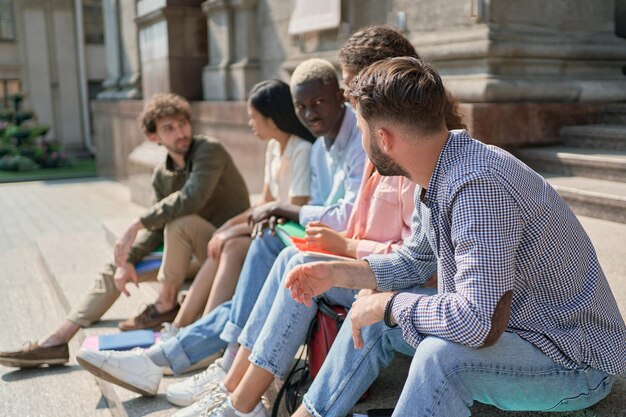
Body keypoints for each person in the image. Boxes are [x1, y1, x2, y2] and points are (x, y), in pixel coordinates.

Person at [286, 57, 626, 417]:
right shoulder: (439, 168)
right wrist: (339, 274)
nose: (362, 138)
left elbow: (476, 320)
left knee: (437, 356)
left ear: (383, 139)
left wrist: (388, 305)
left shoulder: (477, 187)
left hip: (572, 361)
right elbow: (413, 261)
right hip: (518, 331)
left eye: (361, 129)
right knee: (375, 315)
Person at [168, 25, 464, 417]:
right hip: (393, 274)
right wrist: (341, 255)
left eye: (348, 88)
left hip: (423, 292)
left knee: (310, 272)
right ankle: (231, 387)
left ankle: (237, 401)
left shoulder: (428, 162)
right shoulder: (394, 153)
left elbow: (429, 270)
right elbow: (405, 248)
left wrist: (346, 254)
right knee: (294, 262)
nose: (345, 100)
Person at [75, 58, 366, 397]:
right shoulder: (319, 148)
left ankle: (199, 357)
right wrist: (251, 221)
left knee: (259, 254)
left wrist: (266, 216)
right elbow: (295, 209)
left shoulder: (352, 141)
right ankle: (171, 352)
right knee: (257, 255)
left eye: (318, 103)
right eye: (302, 106)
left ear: (341, 94)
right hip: (306, 241)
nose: (310, 113)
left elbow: (336, 215)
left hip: (346, 255)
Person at [0, 93, 250, 369]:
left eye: (182, 124)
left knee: (182, 222)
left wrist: (136, 223)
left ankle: (166, 305)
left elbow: (191, 198)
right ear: (154, 138)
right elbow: (156, 231)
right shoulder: (161, 175)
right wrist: (128, 259)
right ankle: (57, 340)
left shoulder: (209, 151)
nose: (180, 132)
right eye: (169, 128)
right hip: (191, 258)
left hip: (225, 255)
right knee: (117, 265)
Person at [162, 79, 315, 340]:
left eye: (254, 118)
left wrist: (231, 233)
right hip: (268, 228)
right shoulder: (273, 148)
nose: (250, 124)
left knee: (231, 246)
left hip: (287, 237)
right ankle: (180, 328)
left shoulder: (302, 150)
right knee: (222, 243)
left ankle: (203, 337)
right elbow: (263, 205)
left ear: (273, 119)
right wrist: (226, 228)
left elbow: (293, 212)